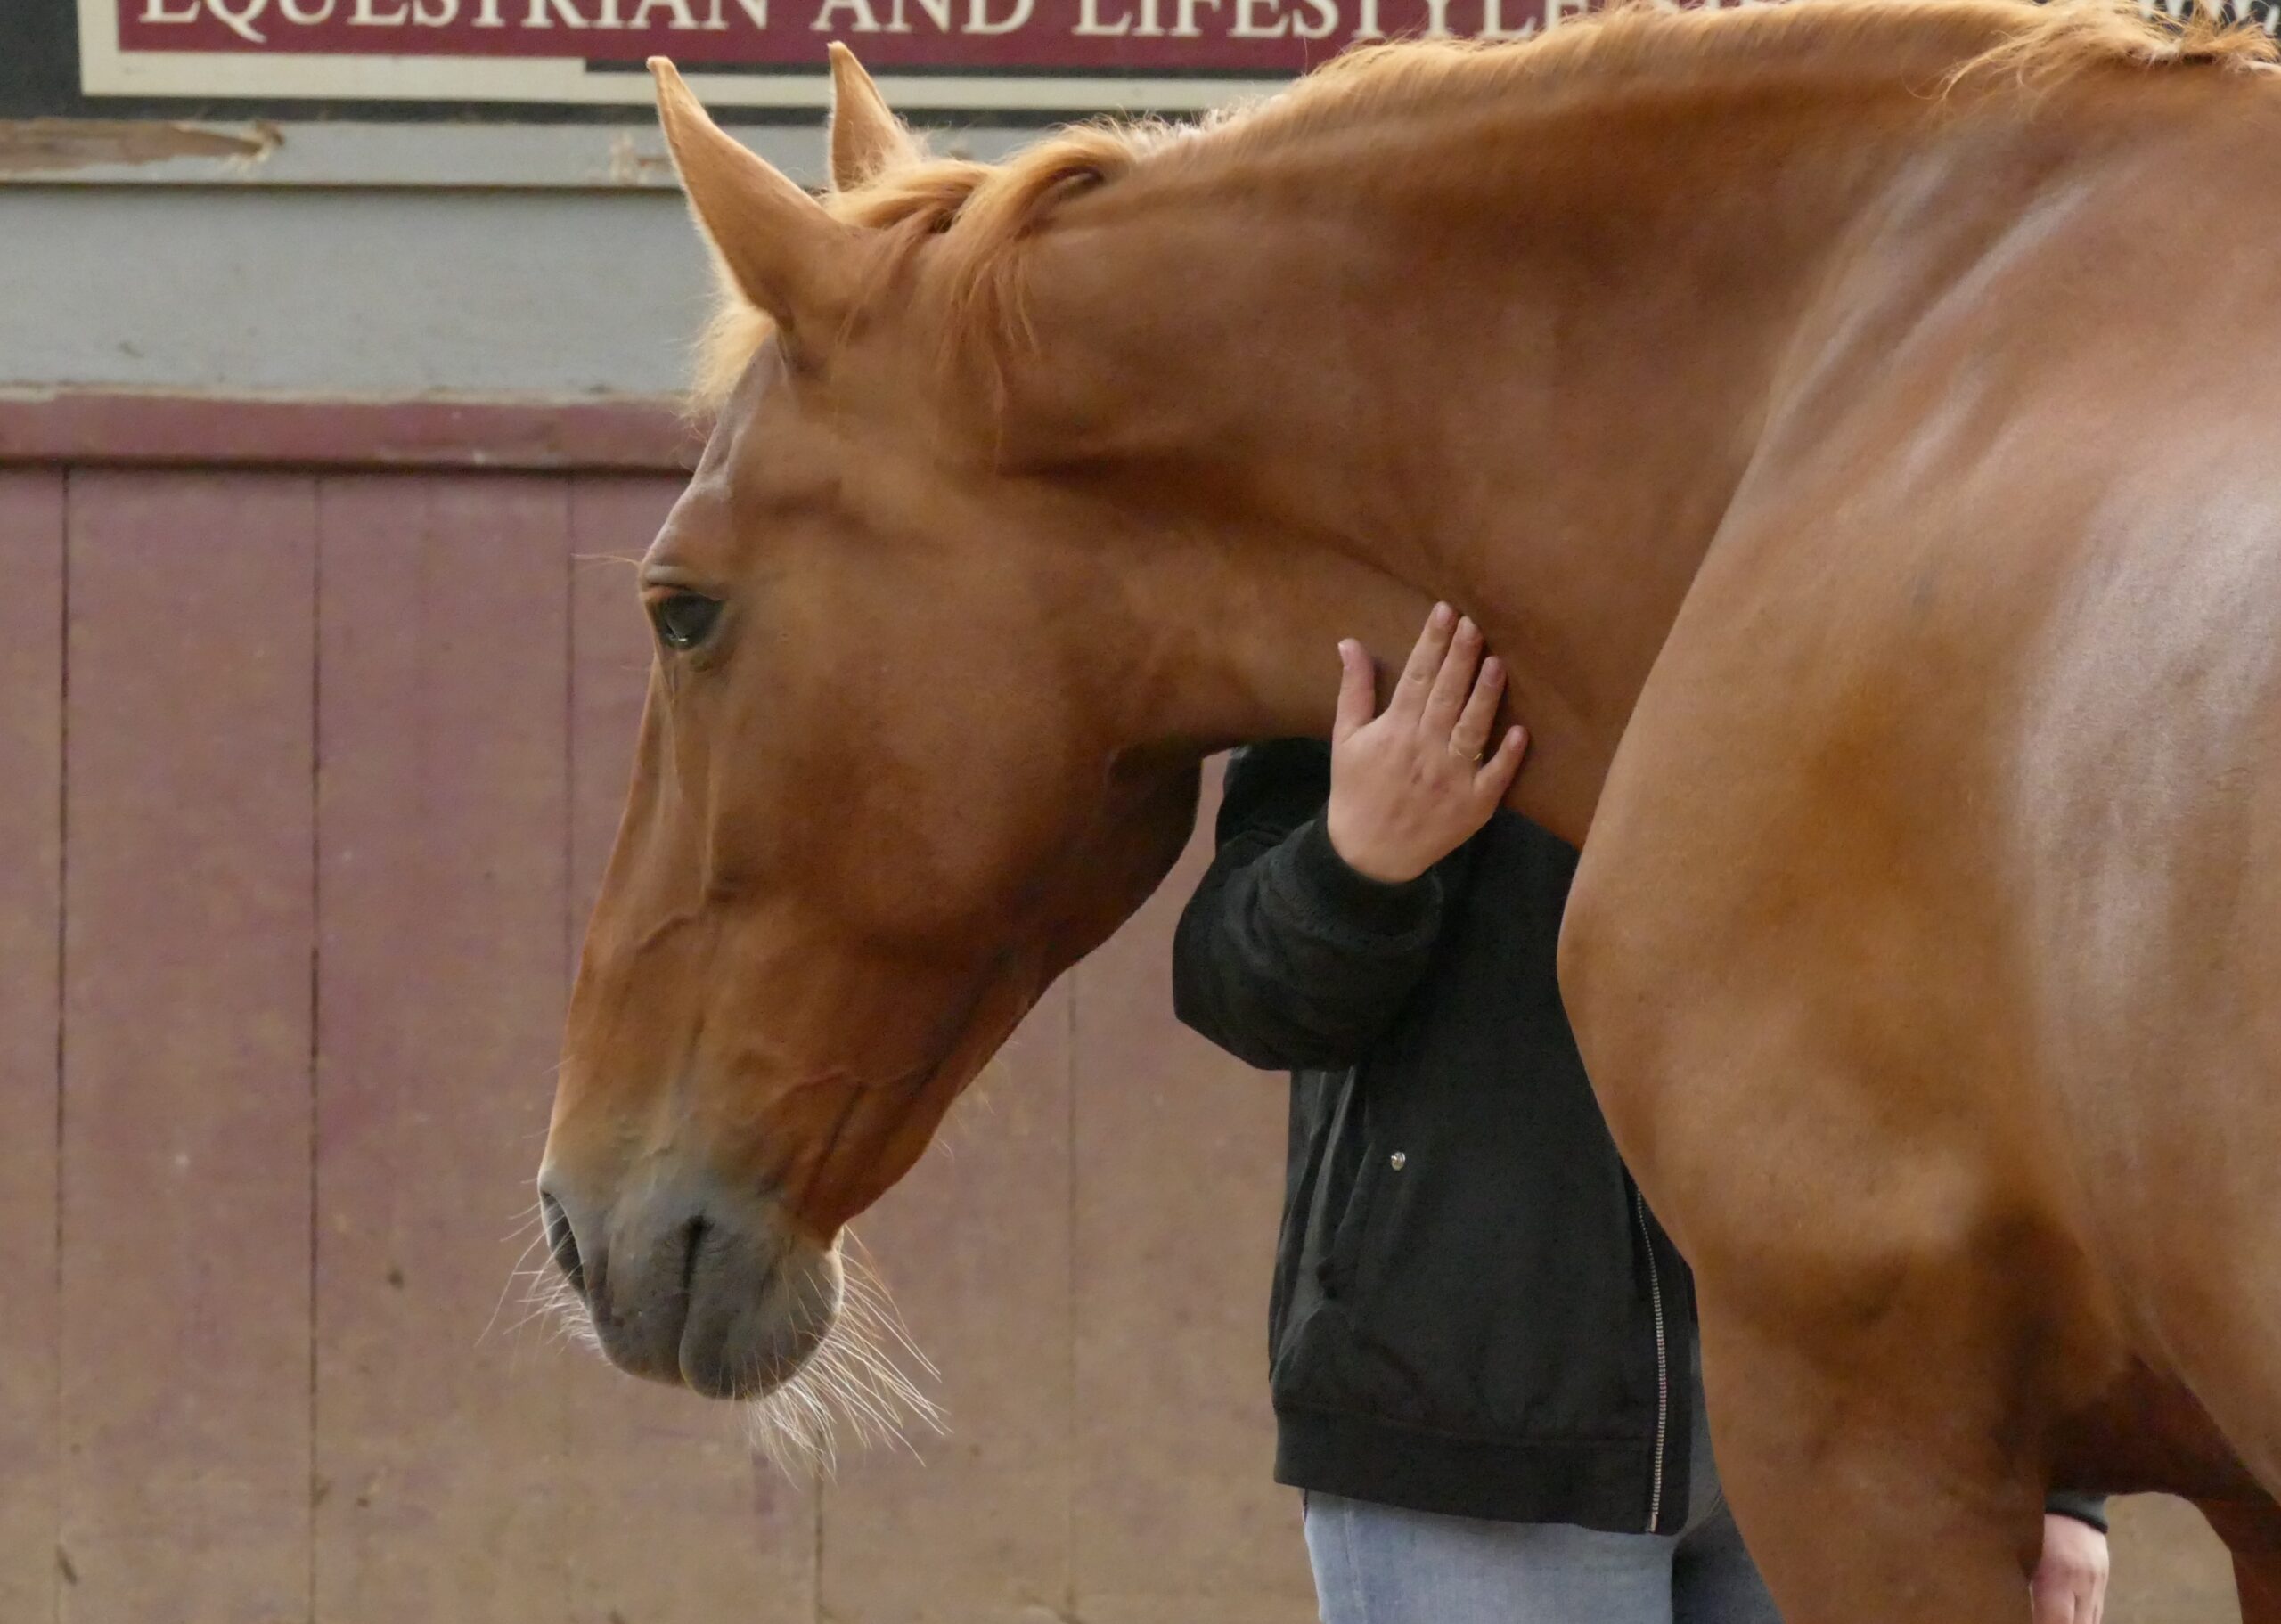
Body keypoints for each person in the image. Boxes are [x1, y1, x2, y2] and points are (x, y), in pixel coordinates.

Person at [1172, 603, 2113, 1624]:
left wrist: (2059, 1469)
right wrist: (1356, 862)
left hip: (1844, 1433)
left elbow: (1989, 1017)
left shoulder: (1851, 536)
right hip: (1478, 1430)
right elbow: (1235, 984)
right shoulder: (1397, 560)